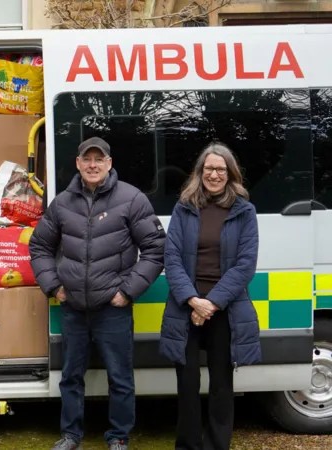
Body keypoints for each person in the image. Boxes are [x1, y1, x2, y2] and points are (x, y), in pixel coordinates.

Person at [30, 137, 166, 450]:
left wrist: (127, 292)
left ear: (109, 163)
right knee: (70, 376)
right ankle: (71, 435)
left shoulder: (132, 199)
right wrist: (54, 286)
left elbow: (156, 249)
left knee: (120, 376)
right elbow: (39, 246)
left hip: (113, 308)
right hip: (74, 307)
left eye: (99, 159)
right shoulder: (62, 203)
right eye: (87, 159)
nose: (93, 165)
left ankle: (118, 436)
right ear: (78, 164)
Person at [159, 142, 260, 450]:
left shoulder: (244, 211)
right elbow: (171, 258)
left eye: (220, 169)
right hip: (186, 308)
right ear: (199, 172)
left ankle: (217, 445)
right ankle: (188, 445)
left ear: (230, 174)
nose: (214, 175)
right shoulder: (184, 207)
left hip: (224, 310)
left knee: (221, 385)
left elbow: (245, 264)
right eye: (209, 168)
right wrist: (193, 301)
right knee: (187, 384)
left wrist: (211, 304)